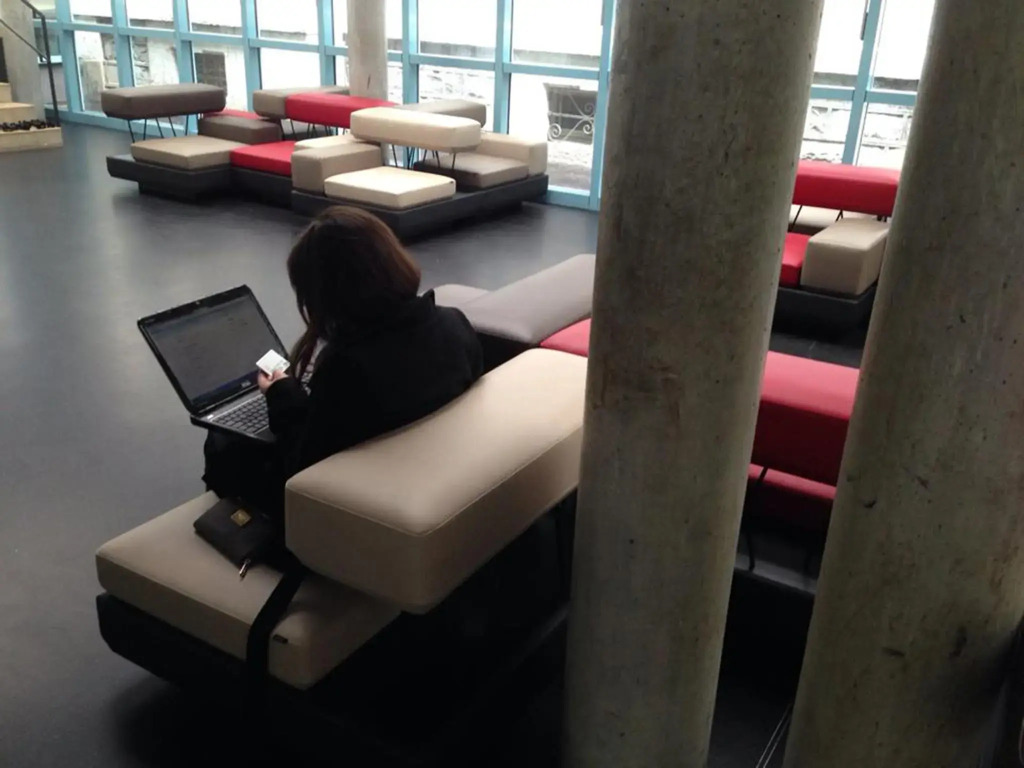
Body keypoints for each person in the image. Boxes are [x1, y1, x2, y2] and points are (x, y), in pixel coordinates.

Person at [202, 206, 484, 520]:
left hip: (356, 503)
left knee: (221, 442)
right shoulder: (453, 323)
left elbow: (301, 468)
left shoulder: (348, 369)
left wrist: (282, 394)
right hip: (434, 474)